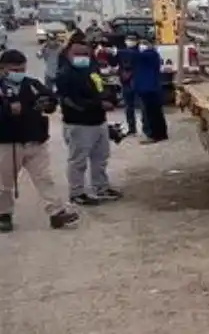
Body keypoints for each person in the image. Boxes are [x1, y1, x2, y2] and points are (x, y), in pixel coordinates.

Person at [0, 50, 80, 231]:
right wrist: (7, 111)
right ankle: (4, 214)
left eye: (22, 69)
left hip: (35, 141)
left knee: (45, 179)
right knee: (4, 183)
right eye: (14, 69)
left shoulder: (32, 84)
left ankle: (57, 213)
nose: (19, 73)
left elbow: (50, 100)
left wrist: (48, 104)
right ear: (3, 68)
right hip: (8, 143)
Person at [56, 36, 121, 207]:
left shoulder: (92, 69)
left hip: (98, 122)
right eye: (77, 53)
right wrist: (99, 104)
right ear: (69, 53)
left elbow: (102, 87)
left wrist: (110, 99)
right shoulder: (65, 74)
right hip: (78, 124)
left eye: (85, 53)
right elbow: (71, 101)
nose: (81, 57)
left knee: (100, 158)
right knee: (78, 161)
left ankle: (101, 187)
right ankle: (77, 193)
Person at [133, 38, 168, 143]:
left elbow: (133, 55)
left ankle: (153, 135)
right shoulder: (151, 55)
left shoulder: (150, 54)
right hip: (151, 88)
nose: (141, 46)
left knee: (150, 114)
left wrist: (115, 51)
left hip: (148, 89)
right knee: (157, 113)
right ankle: (161, 134)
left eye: (144, 44)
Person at [115, 36, 142, 135]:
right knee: (129, 107)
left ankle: (145, 128)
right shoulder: (123, 52)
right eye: (128, 40)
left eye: (132, 40)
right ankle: (132, 128)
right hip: (126, 82)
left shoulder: (138, 52)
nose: (129, 42)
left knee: (141, 106)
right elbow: (117, 63)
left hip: (136, 81)